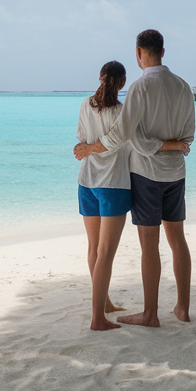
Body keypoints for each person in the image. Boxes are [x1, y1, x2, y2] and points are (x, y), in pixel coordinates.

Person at [75, 29, 195, 325]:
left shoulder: (141, 88)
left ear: (139, 52)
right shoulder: (183, 87)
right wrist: (174, 145)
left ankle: (150, 313)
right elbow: (189, 135)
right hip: (176, 173)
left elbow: (130, 139)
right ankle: (182, 308)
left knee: (149, 244)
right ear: (163, 52)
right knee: (178, 239)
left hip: (145, 174)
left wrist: (90, 148)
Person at [74, 61, 132, 331]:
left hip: (86, 182)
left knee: (94, 249)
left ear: (100, 78)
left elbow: (82, 139)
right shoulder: (122, 112)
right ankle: (98, 318)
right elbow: (118, 143)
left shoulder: (86, 104)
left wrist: (87, 150)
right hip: (113, 184)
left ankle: (105, 303)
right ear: (121, 83)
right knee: (106, 253)